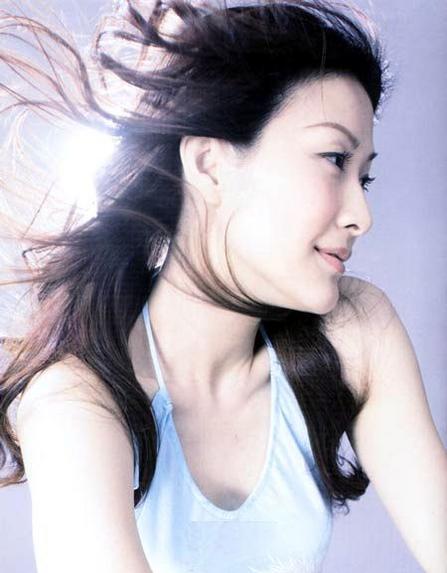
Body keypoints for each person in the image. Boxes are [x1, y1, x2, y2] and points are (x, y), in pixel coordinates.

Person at [0, 0, 445, 572]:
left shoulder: (355, 333)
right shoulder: (76, 397)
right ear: (209, 163)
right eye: (334, 159)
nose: (362, 215)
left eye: (366, 177)